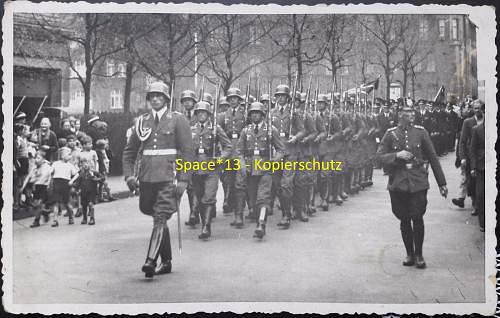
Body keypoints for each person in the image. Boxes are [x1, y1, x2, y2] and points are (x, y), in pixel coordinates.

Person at [122, 81, 194, 278]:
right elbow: (129, 152)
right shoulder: (141, 122)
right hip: (146, 177)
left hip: (168, 177)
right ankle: (167, 261)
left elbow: (188, 152)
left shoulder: (177, 120)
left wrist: (184, 179)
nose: (155, 99)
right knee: (153, 213)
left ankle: (150, 260)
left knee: (161, 215)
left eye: (159, 96)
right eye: (152, 96)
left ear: (166, 99)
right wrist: (129, 175)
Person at [376, 106, 447, 269]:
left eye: (413, 112)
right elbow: (378, 156)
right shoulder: (390, 133)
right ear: (400, 115)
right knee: (404, 218)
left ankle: (419, 254)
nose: (412, 115)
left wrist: (442, 183)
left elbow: (433, 157)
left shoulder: (421, 132)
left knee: (418, 217)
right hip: (398, 183)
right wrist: (396, 155)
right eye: (408, 112)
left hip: (418, 182)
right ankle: (409, 253)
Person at [235, 102, 285, 239]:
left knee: (263, 198)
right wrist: (242, 165)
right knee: (253, 200)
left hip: (265, 169)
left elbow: (281, 150)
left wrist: (274, 162)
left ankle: (261, 224)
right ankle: (259, 221)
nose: (255, 115)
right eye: (252, 113)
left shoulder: (271, 130)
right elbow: (239, 151)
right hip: (251, 170)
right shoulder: (245, 131)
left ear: (263, 115)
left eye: (257, 113)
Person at [190, 101, 232, 239]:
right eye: (199, 112)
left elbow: (228, 147)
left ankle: (206, 227)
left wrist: (220, 159)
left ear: (208, 114)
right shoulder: (191, 130)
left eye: (204, 112)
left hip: (211, 168)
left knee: (209, 197)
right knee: (200, 196)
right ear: (196, 114)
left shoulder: (216, 129)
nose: (201, 115)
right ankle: (203, 223)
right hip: (195, 168)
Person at [217, 87, 246, 226]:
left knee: (240, 183)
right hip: (228, 153)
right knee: (229, 181)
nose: (233, 100)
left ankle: (239, 215)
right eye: (231, 98)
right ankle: (233, 208)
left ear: (239, 100)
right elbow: (219, 134)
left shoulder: (245, 114)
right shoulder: (223, 115)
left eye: (235, 98)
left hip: (241, 152)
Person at [452, 100, 484, 212]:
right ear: (473, 110)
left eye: (479, 108)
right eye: (475, 108)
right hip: (471, 156)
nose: (478, 110)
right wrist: (463, 157)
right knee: (471, 182)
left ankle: (478, 205)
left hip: (484, 157)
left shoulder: (488, 121)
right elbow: (462, 141)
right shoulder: (468, 122)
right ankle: (475, 205)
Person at [69, 158, 104, 225]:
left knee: (91, 204)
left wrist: (97, 179)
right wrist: (72, 185)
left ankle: (92, 218)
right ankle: (85, 218)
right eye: (83, 164)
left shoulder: (93, 172)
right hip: (83, 192)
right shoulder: (81, 174)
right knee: (84, 206)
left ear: (90, 164)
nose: (85, 165)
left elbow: (102, 178)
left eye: (87, 163)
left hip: (92, 191)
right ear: (81, 165)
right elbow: (77, 184)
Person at [50, 147, 79, 227]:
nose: (70, 156)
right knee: (56, 203)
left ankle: (71, 216)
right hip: (56, 184)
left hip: (66, 184)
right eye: (69, 154)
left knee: (66, 203)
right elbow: (50, 172)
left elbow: (77, 174)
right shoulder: (55, 163)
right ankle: (55, 220)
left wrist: (71, 181)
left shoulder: (70, 165)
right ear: (62, 156)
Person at [28, 151, 53, 228]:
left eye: (38, 158)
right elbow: (31, 177)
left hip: (44, 187)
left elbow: (46, 177)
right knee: (35, 205)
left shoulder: (47, 167)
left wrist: (36, 179)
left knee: (39, 204)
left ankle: (36, 221)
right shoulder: (35, 167)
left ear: (43, 159)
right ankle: (45, 212)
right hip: (37, 187)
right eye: (36, 158)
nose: (36, 159)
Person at [469, 111, 485, 232]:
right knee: (480, 195)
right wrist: (473, 167)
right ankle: (483, 223)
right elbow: (472, 150)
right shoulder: (477, 130)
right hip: (481, 167)